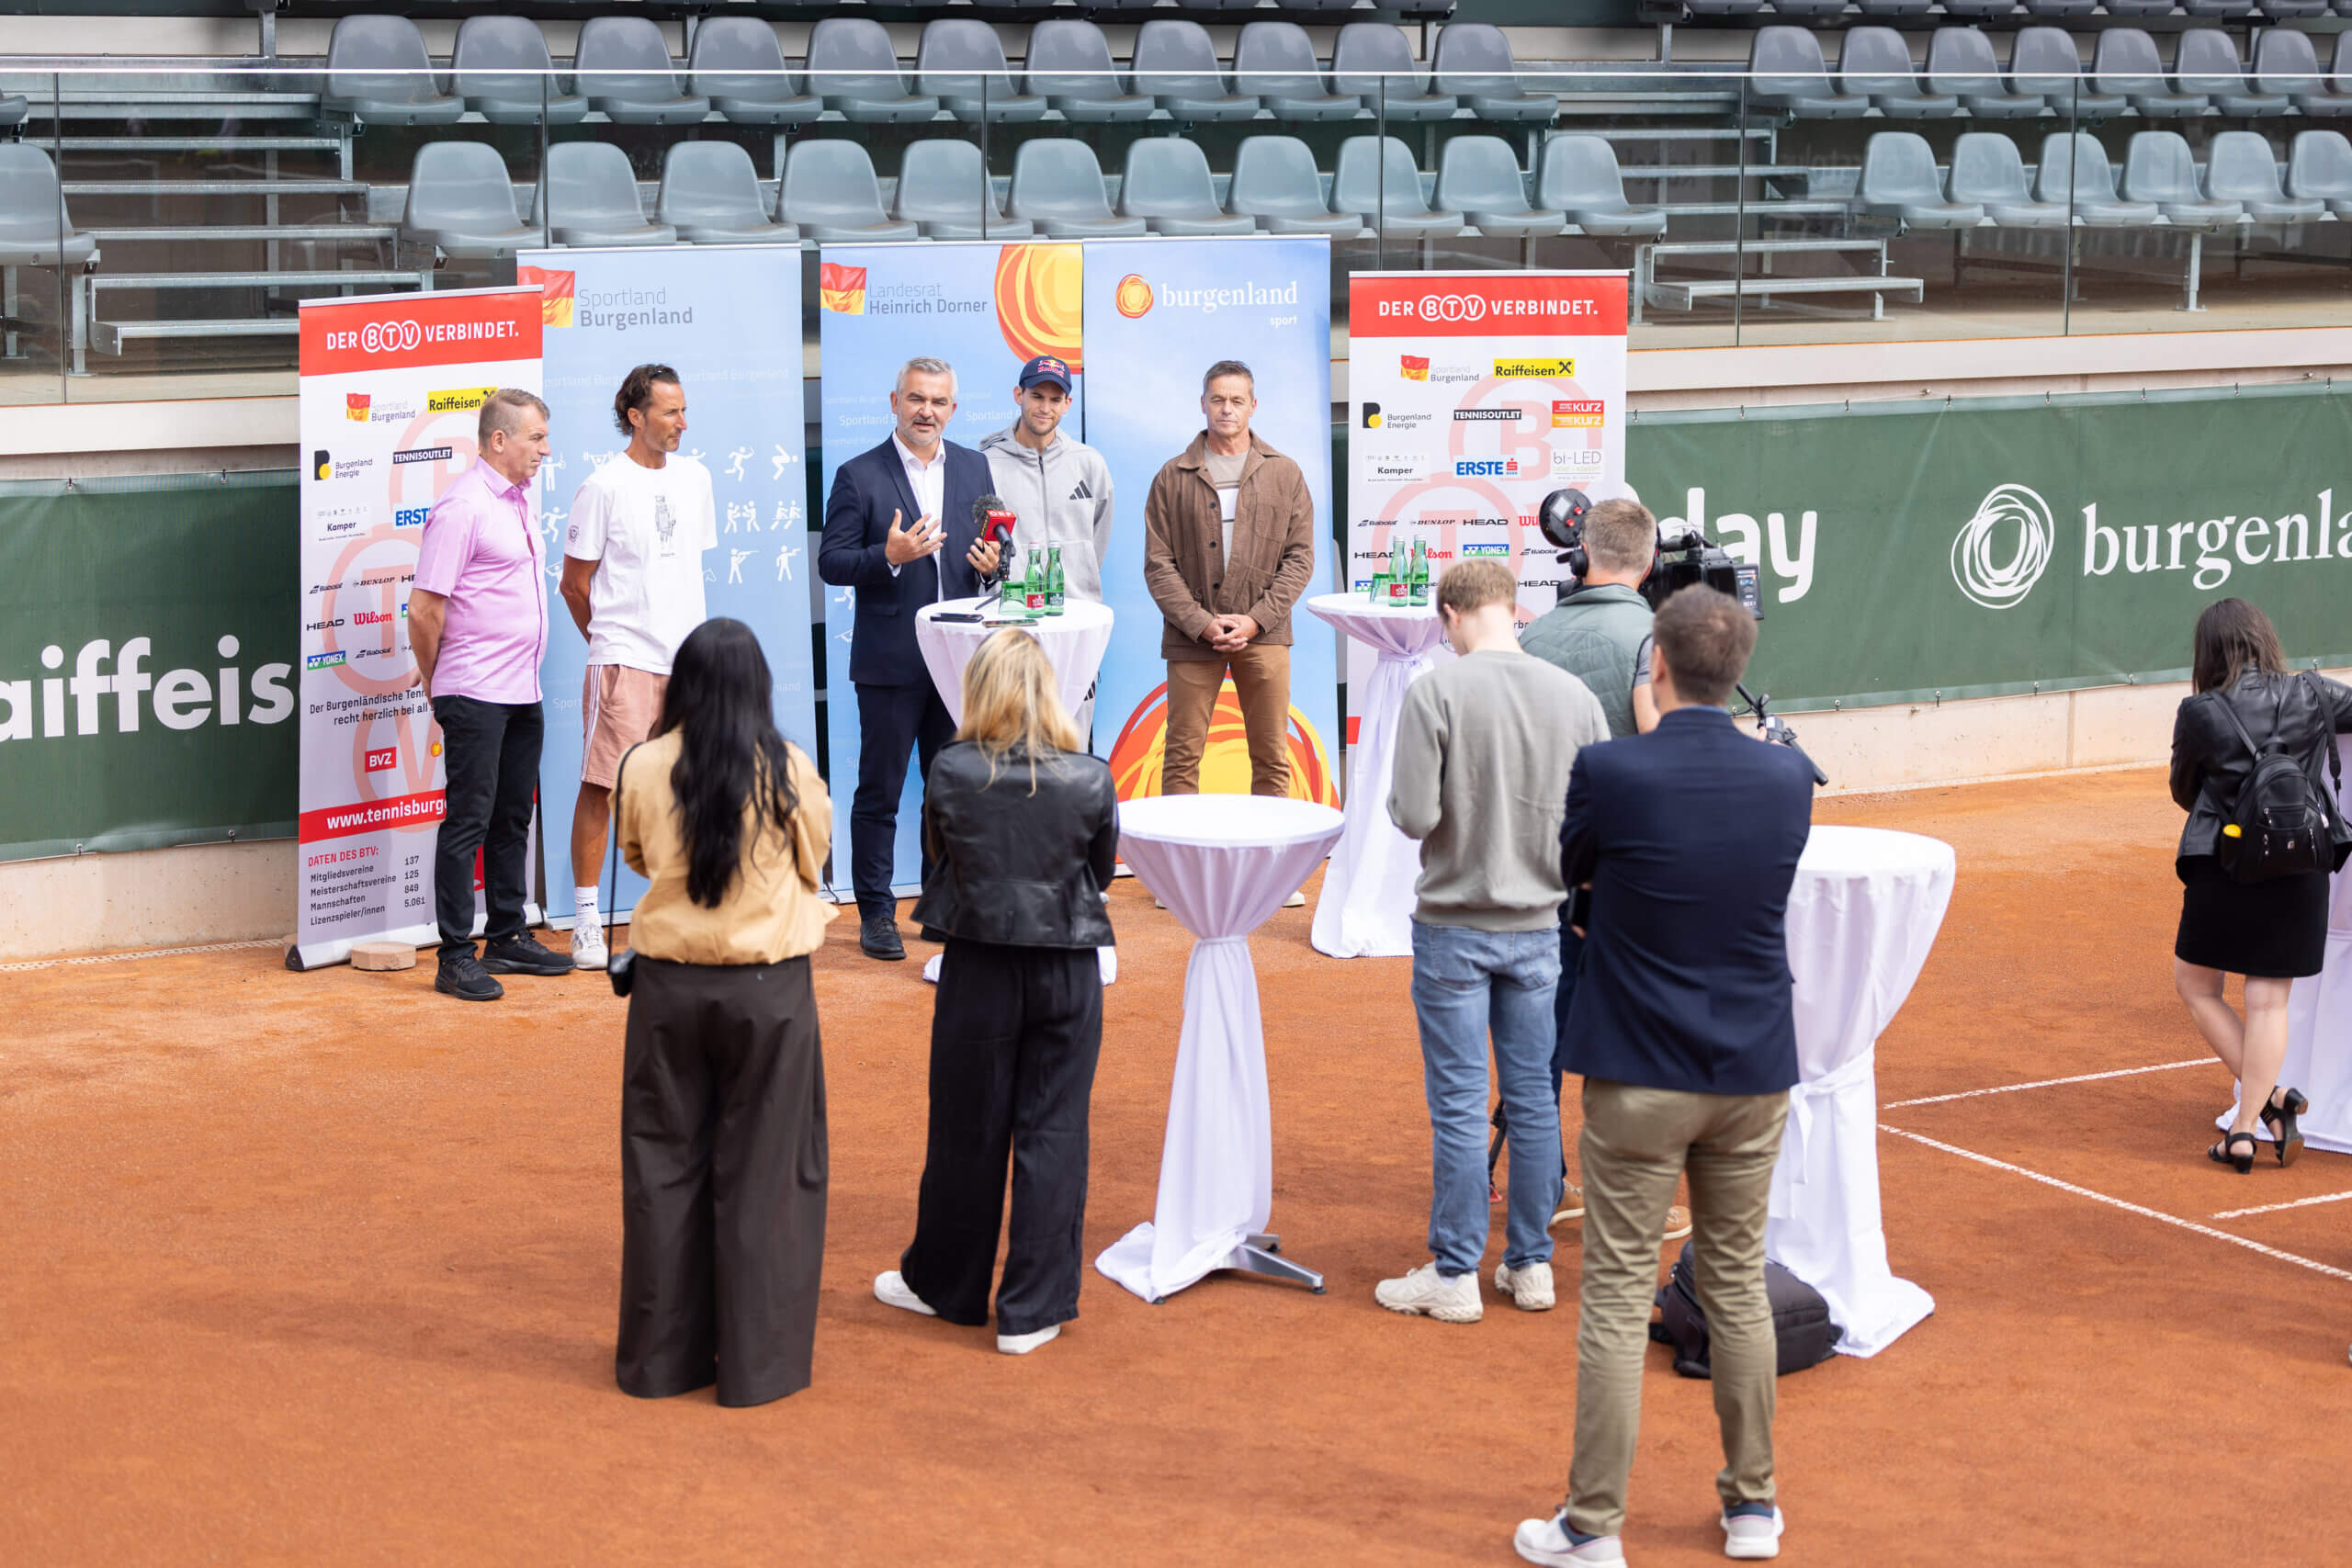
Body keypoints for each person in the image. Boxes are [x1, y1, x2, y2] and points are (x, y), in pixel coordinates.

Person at [1517, 586, 1815, 1568]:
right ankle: (1753, 1510)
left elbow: (1576, 874)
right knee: (1733, 1286)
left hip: (1637, 1073)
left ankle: (1591, 1526)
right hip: (1749, 1072)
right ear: (1735, 675)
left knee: (1612, 1293)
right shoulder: (1786, 780)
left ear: (1657, 667)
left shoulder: (1611, 770)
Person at [1376, 559, 1608, 1325]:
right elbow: (1598, 816)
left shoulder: (1435, 690)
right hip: (1539, 928)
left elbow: (1410, 814)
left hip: (1453, 926)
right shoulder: (1574, 697)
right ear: (1515, 609)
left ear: (1448, 615)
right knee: (1535, 1098)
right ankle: (1530, 1264)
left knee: (1458, 1105)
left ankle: (1454, 1272)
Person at [874, 628, 1117, 1356]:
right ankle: (1033, 1309)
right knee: (1055, 1132)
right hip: (1067, 967)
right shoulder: (1091, 776)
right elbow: (1098, 875)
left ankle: (945, 1286)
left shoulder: (949, 770)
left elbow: (937, 859)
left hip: (978, 964)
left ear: (979, 691)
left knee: (965, 1130)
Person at [613, 617, 834, 1407]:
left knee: (662, 1169)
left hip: (668, 993)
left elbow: (637, 855)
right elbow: (818, 856)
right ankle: (757, 1366)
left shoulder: (642, 764)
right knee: (768, 1177)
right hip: (769, 995)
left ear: (682, 684)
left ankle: (661, 1363)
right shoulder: (789, 768)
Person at [1518, 495, 1688, 1243]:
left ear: (1585, 553)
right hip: (1615, 873)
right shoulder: (1648, 635)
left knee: (1542, 1027)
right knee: (1626, 1030)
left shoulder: (1534, 634)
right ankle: (1625, 1193)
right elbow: (1660, 746)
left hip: (1537, 858)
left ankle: (1542, 1181)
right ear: (1649, 563)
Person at [817, 355, 1002, 962]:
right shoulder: (858, 473)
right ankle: (875, 912)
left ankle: (941, 906)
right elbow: (833, 562)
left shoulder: (975, 466)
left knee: (949, 792)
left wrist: (993, 566)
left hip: (961, 660)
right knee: (881, 791)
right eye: (917, 399)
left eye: (939, 401)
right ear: (894, 401)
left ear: (954, 409)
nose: (927, 411)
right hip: (891, 662)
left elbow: (1002, 545)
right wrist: (889, 555)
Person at [2168, 597, 2352, 1172]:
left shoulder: (2198, 711)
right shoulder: (2318, 692)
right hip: (2302, 866)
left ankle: (2265, 1111)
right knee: (2270, 1000)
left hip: (2225, 864)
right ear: (2264, 639)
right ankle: (2252, 1121)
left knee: (2198, 988)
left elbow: (2183, 790)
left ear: (2208, 653)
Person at [409, 388, 572, 1002]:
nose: (545, 450)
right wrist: (436, 681)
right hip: (474, 690)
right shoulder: (463, 506)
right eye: (536, 438)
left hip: (520, 690)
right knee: (468, 822)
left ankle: (507, 934)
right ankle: (455, 955)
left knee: (512, 816)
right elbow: (425, 609)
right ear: (499, 440)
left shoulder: (519, 500)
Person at [560, 365, 717, 972]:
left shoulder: (697, 478)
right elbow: (575, 585)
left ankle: (677, 909)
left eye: (683, 410)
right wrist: (608, 643)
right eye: (670, 412)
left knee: (687, 790)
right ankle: (586, 922)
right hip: (623, 660)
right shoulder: (602, 486)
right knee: (602, 787)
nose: (682, 422)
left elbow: (683, 569)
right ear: (636, 416)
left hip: (688, 668)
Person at [1141, 359, 1317, 801]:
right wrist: (1200, 622)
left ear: (1253, 405)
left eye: (1237, 400)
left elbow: (1300, 558)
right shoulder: (1171, 476)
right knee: (1181, 756)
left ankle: (1272, 863)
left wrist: (1256, 620)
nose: (1227, 409)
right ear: (1202, 404)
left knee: (1273, 756)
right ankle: (1182, 866)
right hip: (1191, 636)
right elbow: (1158, 563)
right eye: (1218, 399)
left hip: (1266, 634)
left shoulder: (1285, 472)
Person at [978, 355, 1115, 737]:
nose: (1045, 407)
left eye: (1056, 400)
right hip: (1010, 627)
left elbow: (1096, 538)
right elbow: (980, 544)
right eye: (1037, 396)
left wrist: (1077, 581)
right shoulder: (984, 462)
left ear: (1068, 404)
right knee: (1008, 739)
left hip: (1074, 627)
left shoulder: (1089, 463)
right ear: (1018, 394)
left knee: (1070, 740)